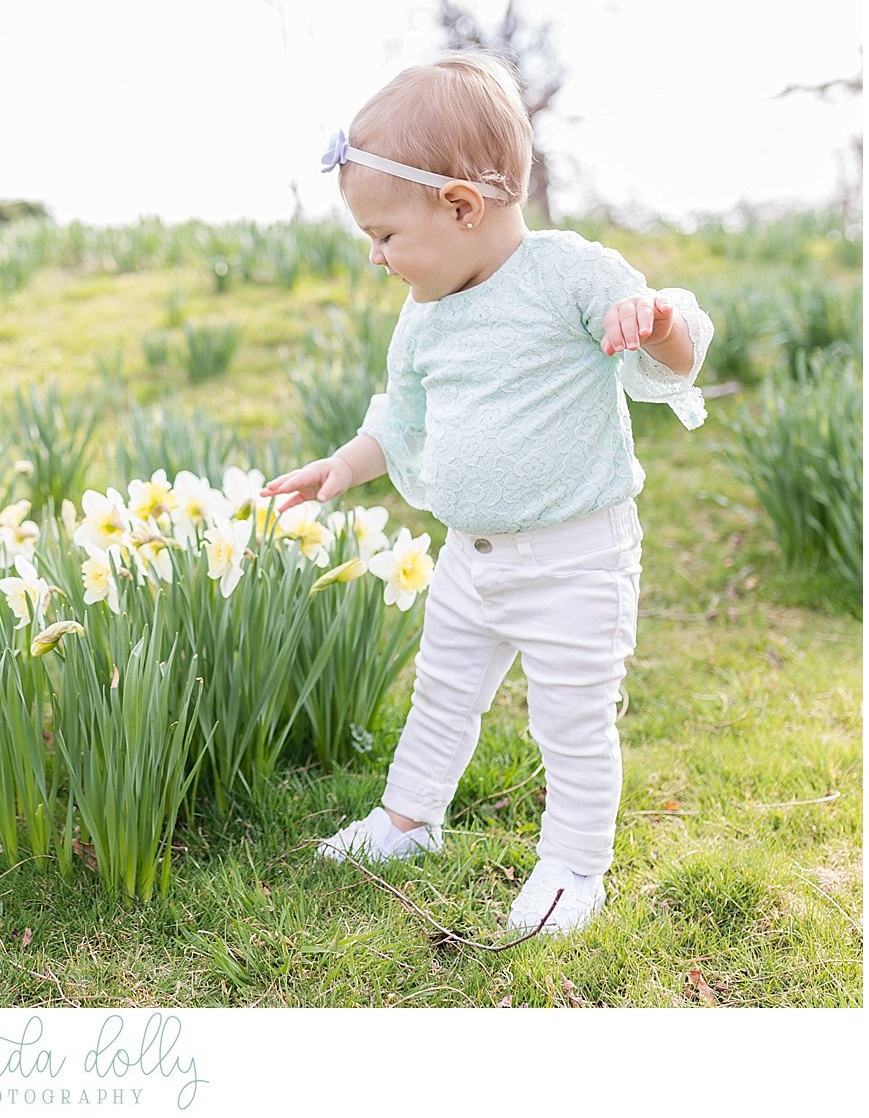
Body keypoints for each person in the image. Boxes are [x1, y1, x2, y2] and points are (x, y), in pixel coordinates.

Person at [261, 52, 714, 935]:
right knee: (440, 693)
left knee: (571, 720)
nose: (376, 257)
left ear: (461, 206)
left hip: (575, 558)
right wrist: (342, 467)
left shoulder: (569, 275)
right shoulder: (424, 314)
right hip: (469, 557)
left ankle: (573, 865)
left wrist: (656, 321)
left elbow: (682, 350)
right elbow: (402, 417)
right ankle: (407, 819)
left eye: (385, 236)